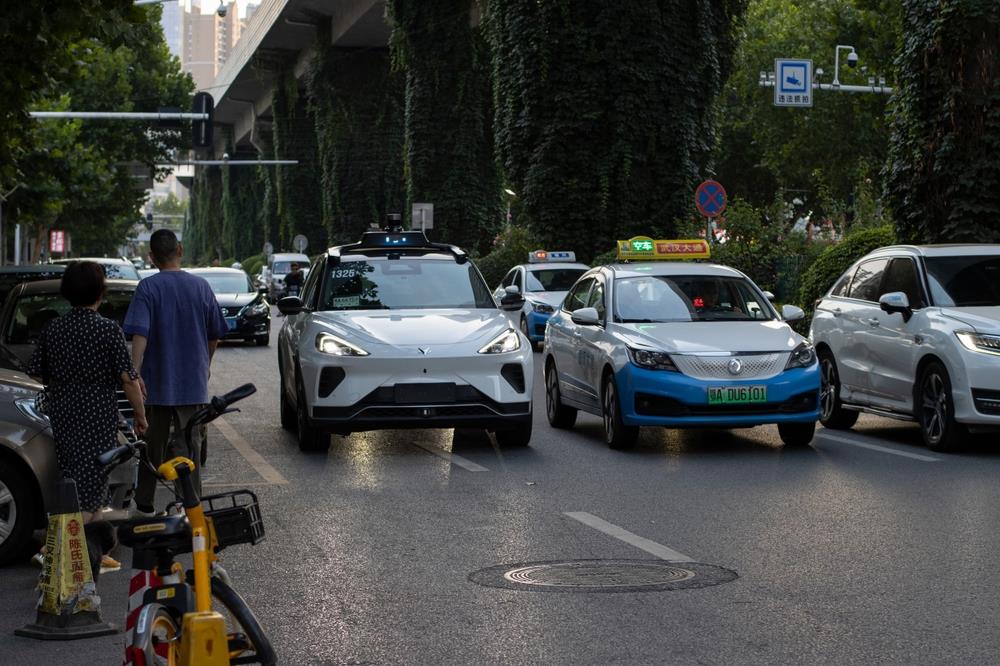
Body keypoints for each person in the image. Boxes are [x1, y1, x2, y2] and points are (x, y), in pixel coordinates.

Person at [28, 261, 147, 569]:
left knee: (78, 480)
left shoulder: (53, 329)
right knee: (94, 480)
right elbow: (128, 379)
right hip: (98, 414)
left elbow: (38, 373)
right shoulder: (107, 329)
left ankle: (94, 551)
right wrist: (140, 415)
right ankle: (54, 550)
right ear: (100, 291)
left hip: (64, 413)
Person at [124, 230, 228, 515]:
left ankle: (144, 503)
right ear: (180, 250)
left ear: (151, 257)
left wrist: (136, 372)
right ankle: (189, 505)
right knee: (190, 445)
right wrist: (204, 363)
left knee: (150, 444)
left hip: (155, 383)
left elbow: (140, 334)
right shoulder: (201, 287)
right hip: (191, 382)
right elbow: (215, 334)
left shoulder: (147, 288)